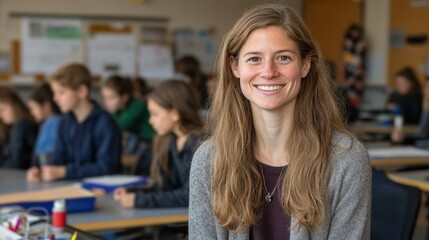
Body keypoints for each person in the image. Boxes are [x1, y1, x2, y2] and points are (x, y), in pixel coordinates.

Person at [189, 3, 371, 239]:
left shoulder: (346, 161)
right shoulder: (209, 160)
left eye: (283, 58)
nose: (268, 71)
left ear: (305, 65)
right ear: (235, 67)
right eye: (254, 59)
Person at [114, 80, 202, 208]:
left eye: (155, 114)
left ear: (174, 114)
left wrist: (139, 200)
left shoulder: (198, 145)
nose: (151, 121)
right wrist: (134, 193)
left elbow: (190, 196)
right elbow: (166, 187)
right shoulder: (171, 140)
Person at [27, 63, 122, 182]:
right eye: (55, 93)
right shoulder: (64, 122)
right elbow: (58, 160)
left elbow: (106, 167)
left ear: (82, 91)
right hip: (69, 187)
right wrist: (43, 172)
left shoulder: (105, 123)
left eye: (61, 92)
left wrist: (65, 171)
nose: (55, 98)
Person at [101, 75, 154, 144]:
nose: (106, 102)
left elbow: (115, 126)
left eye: (111, 98)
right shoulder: (118, 110)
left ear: (124, 98)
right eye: (105, 97)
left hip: (150, 142)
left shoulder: (137, 106)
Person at [0, 87, 37, 169]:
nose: (1, 115)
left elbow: (17, 161)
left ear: (14, 105)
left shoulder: (22, 125)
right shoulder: (10, 128)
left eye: (2, 109)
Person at [27, 82, 61, 165]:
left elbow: (47, 157)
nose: (31, 112)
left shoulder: (54, 123)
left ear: (46, 105)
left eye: (33, 107)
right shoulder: (46, 123)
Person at [392, 77, 429, 144]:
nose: (426, 90)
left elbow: (424, 137)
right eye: (426, 87)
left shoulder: (416, 99)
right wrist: (404, 138)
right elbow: (423, 134)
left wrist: (405, 139)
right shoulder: (426, 108)